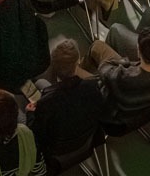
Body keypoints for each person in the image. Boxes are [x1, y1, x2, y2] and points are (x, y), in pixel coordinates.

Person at [26, 39, 103, 171]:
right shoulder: (93, 87)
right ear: (77, 62)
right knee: (41, 83)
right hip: (86, 141)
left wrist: (30, 113)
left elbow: (36, 135)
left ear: (53, 66)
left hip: (56, 152)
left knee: (37, 86)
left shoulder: (46, 103)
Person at [85, 27, 150, 128]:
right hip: (140, 113)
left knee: (97, 46)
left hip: (113, 119)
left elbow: (104, 68)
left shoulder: (122, 77)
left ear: (139, 51)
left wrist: (123, 63)